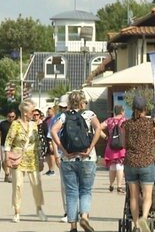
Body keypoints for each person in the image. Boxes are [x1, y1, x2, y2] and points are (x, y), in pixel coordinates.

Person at [51, 91, 102, 232]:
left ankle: (73, 226)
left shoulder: (64, 115)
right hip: (87, 157)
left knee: (71, 192)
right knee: (85, 190)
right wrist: (91, 147)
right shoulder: (89, 114)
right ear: (82, 102)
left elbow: (54, 131)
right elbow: (98, 128)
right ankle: (84, 217)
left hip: (69, 159)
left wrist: (63, 149)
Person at [123, 95, 155, 232]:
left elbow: (124, 145)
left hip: (131, 162)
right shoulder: (151, 123)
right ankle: (144, 218)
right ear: (145, 108)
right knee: (147, 195)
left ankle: (135, 225)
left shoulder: (126, 124)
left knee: (133, 196)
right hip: (147, 162)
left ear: (133, 108)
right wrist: (153, 146)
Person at [4, 99, 47, 223]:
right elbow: (8, 141)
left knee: (37, 185)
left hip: (32, 158)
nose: (34, 113)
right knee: (18, 186)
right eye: (32, 111)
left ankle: (39, 209)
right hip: (18, 158)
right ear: (25, 112)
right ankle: (17, 212)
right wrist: (7, 157)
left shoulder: (34, 125)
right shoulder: (15, 124)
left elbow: (38, 142)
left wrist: (41, 158)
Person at [49, 95, 69, 223]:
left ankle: (79, 210)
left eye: (65, 107)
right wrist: (56, 155)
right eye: (61, 107)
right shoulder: (56, 119)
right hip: (62, 154)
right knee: (64, 184)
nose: (63, 109)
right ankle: (67, 211)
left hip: (75, 154)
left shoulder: (77, 117)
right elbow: (52, 139)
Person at [100, 105, 127, 193]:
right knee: (120, 165)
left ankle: (111, 184)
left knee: (112, 166)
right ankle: (119, 186)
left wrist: (105, 137)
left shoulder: (109, 120)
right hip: (121, 145)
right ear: (122, 111)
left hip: (111, 144)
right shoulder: (125, 121)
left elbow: (98, 127)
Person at [0, 110, 16, 182]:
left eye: (12, 116)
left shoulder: (17, 124)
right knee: (4, 161)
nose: (11, 118)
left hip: (14, 145)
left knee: (12, 161)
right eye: (9, 116)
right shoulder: (3, 123)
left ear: (15, 116)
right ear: (7, 116)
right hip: (4, 145)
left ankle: (9, 175)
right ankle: (7, 173)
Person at [41, 107, 56, 175]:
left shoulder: (55, 119)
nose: (48, 113)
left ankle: (52, 169)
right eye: (48, 111)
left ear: (53, 111)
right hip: (46, 138)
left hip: (51, 138)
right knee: (47, 154)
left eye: (50, 111)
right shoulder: (47, 119)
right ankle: (49, 169)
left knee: (51, 154)